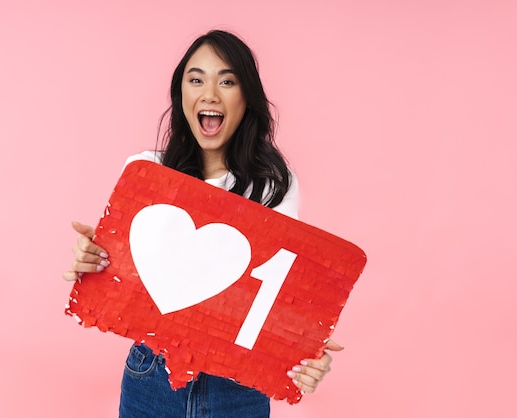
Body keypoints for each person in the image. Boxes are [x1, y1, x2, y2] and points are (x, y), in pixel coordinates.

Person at [62, 29, 343, 418]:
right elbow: (126, 281)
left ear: (247, 99)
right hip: (151, 375)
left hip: (238, 388)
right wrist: (93, 261)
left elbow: (275, 294)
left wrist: (304, 351)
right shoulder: (147, 171)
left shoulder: (275, 185)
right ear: (182, 95)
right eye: (196, 80)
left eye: (227, 81)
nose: (210, 93)